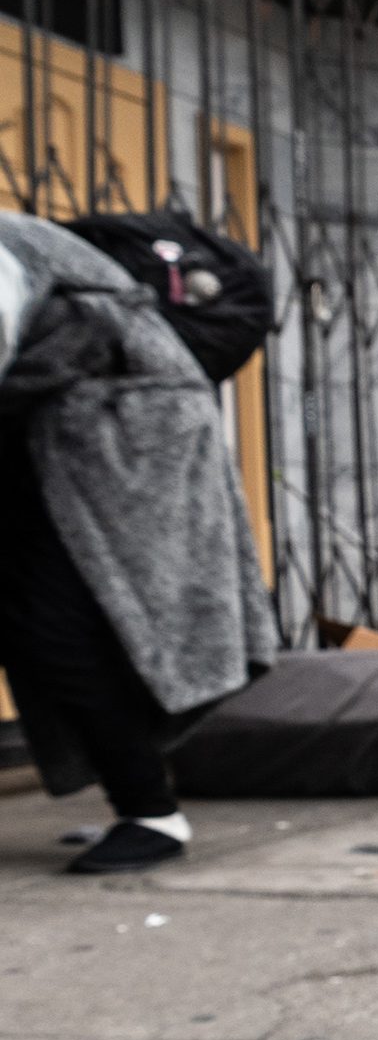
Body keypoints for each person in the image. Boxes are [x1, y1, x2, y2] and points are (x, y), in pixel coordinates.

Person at [0, 213, 278, 875]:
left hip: (114, 461)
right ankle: (143, 800)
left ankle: (152, 813)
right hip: (54, 457)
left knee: (69, 632)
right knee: (47, 629)